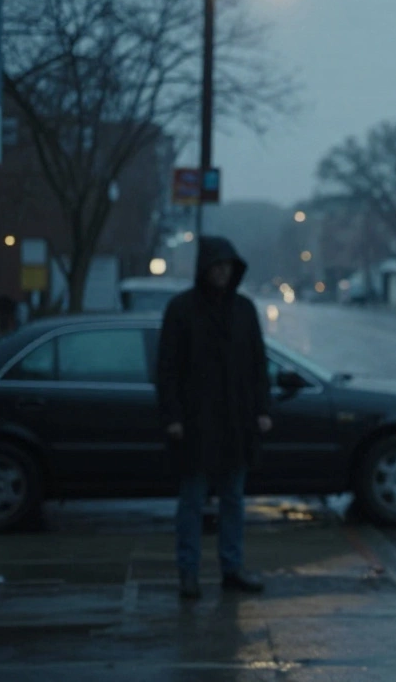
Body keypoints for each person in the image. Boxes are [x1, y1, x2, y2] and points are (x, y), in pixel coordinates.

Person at [156, 235, 273, 600]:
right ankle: (188, 573)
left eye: (227, 267)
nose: (222, 272)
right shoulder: (182, 309)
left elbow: (258, 365)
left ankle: (231, 568)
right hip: (196, 423)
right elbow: (168, 368)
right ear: (204, 269)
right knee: (192, 500)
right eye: (216, 266)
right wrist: (173, 416)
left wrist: (262, 410)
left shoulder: (243, 310)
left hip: (236, 422)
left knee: (233, 499)